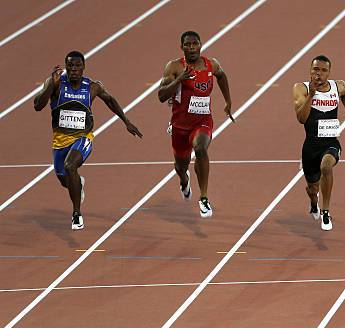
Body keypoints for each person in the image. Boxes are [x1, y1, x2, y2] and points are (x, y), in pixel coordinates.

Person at [34, 50, 142, 230]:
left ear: (84, 67)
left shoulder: (92, 86)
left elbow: (110, 101)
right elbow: (38, 106)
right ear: (66, 67)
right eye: (70, 66)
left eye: (77, 66)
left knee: (70, 166)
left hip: (83, 138)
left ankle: (76, 214)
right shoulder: (55, 83)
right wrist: (48, 87)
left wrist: (126, 121)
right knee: (65, 179)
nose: (74, 69)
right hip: (60, 140)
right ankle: (78, 183)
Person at [158, 30, 233, 219]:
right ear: (181, 47)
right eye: (187, 45)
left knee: (200, 149)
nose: (191, 48)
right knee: (181, 167)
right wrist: (179, 79)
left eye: (195, 44)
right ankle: (184, 180)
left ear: (200, 45)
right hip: (180, 126)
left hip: (203, 122)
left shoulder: (211, 64)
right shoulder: (174, 67)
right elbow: (161, 96)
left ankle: (204, 198)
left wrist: (228, 101)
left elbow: (222, 76)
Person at [292, 55, 345, 231]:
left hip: (331, 144)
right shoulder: (300, 88)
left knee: (326, 167)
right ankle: (314, 203)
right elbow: (301, 119)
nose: (319, 74)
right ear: (310, 71)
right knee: (312, 188)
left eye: (324, 70)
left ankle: (326, 211)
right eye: (316, 70)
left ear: (329, 73)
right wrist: (312, 95)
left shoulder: (338, 86)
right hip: (310, 148)